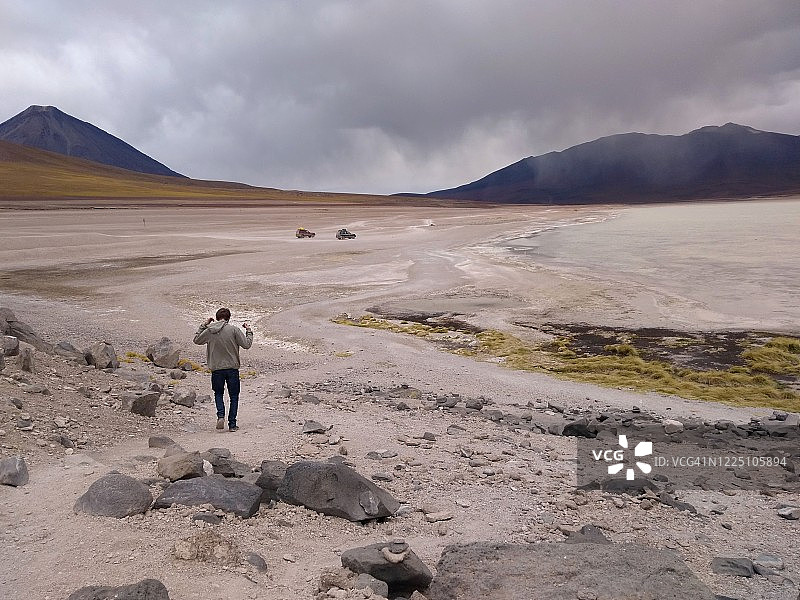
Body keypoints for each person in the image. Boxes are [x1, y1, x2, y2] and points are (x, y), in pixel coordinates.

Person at [193, 307, 253, 431]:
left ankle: (221, 415)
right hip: (232, 368)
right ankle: (232, 424)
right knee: (234, 396)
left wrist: (204, 325)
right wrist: (248, 330)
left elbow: (197, 340)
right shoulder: (234, 330)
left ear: (217, 316)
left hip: (216, 369)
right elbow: (247, 345)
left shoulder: (210, 331)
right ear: (228, 318)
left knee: (218, 393)